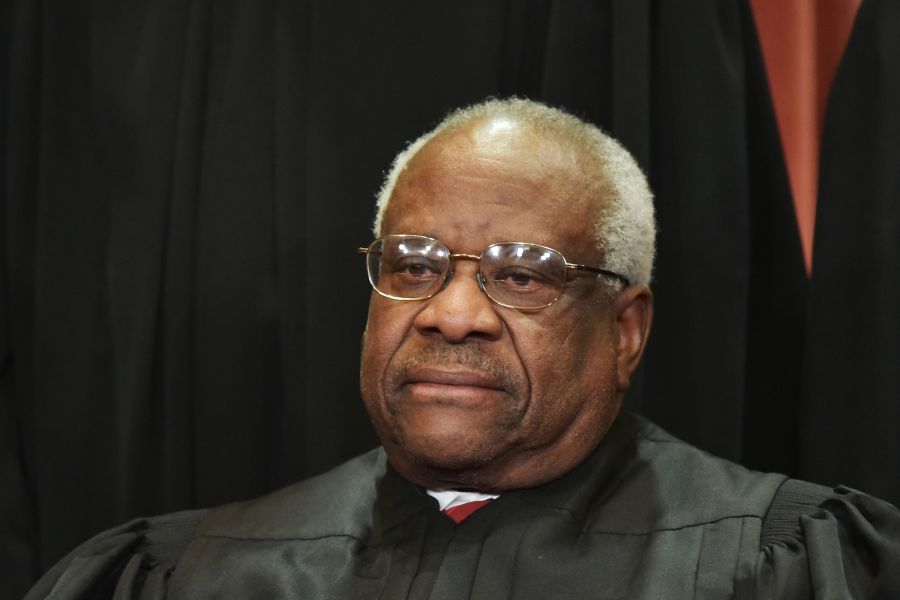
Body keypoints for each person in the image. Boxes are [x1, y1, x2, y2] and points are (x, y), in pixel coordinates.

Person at [26, 98, 900, 599]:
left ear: (625, 331)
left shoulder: (782, 570)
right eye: (414, 264)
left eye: (522, 276)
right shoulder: (186, 576)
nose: (451, 313)